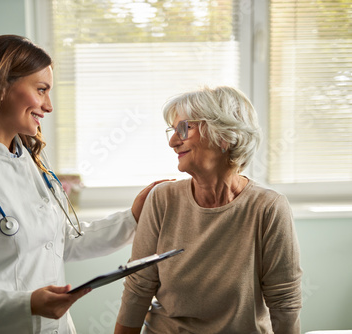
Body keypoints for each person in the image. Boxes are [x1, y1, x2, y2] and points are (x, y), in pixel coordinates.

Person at [0, 35, 163, 334]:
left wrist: (134, 217)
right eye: (41, 90)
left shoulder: (31, 161)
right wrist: (28, 305)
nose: (48, 106)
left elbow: (64, 242)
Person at [114, 86, 303, 334]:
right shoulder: (162, 199)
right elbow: (138, 287)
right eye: (172, 130)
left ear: (224, 135)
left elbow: (284, 302)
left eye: (185, 128)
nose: (172, 142)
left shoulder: (268, 207)